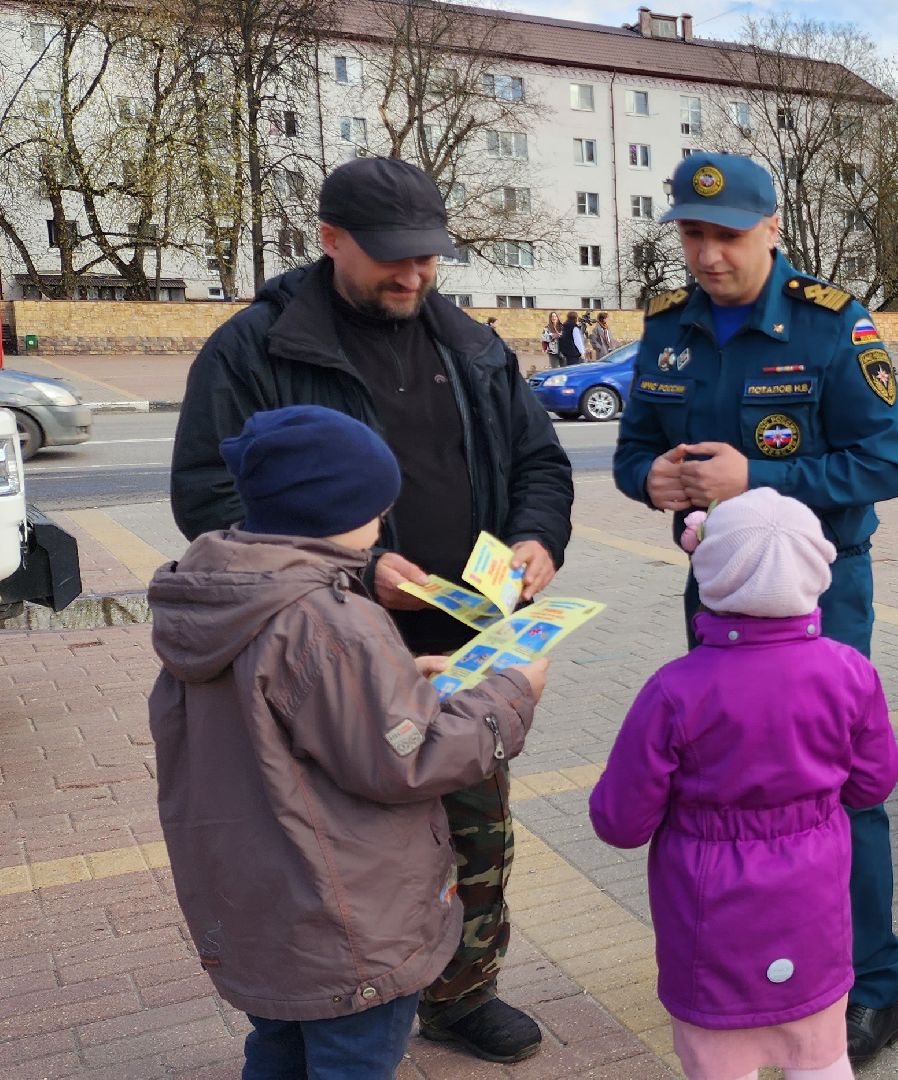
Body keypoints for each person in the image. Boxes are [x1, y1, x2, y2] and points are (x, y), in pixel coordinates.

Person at [169, 156, 576, 1064]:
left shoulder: (470, 344)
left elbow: (541, 463)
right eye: (392, 258)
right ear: (329, 240)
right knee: (340, 859)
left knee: (474, 832)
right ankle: (330, 1006)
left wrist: (536, 538)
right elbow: (206, 499)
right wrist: (358, 572)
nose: (413, 275)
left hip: (457, 644)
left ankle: (461, 993)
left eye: (429, 257)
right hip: (321, 657)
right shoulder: (255, 348)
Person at [613, 152, 898, 1063]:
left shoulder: (830, 328)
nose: (706, 256)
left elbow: (885, 464)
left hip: (823, 601)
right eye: (692, 235)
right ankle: (752, 974)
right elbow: (633, 452)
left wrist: (763, 477)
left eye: (727, 235)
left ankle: (870, 987)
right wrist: (648, 480)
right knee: (720, 788)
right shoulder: (668, 331)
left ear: (772, 229)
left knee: (832, 793)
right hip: (715, 597)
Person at [149, 406, 549, 1080]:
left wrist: (401, 681)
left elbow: (290, 715)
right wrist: (510, 693)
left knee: (277, 1048)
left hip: (264, 911)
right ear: (336, 511)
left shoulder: (215, 595)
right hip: (347, 922)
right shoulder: (332, 622)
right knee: (353, 1060)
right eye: (376, 510)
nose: (381, 528)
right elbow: (409, 763)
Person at [591, 490, 898, 1080]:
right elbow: (872, 784)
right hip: (814, 909)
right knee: (821, 1054)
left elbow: (620, 823)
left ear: (708, 572)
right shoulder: (850, 673)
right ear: (816, 574)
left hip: (709, 917)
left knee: (719, 1062)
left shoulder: (675, 690)